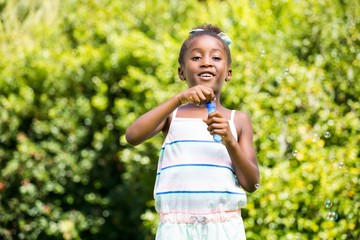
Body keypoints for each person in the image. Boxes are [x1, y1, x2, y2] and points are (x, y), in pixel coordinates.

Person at [126, 24, 260, 240]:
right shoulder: (172, 116)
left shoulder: (238, 121)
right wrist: (179, 99)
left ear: (228, 73)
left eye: (216, 58)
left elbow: (252, 183)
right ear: (181, 72)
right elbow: (132, 136)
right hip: (175, 229)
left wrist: (230, 141)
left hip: (224, 228)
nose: (206, 62)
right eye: (196, 57)